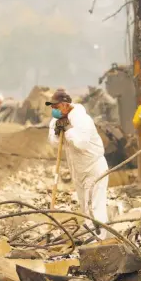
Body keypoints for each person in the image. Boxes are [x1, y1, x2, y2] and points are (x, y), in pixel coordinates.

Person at [46, 89, 109, 240]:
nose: (54, 110)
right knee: (84, 206)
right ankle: (90, 235)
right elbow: (54, 144)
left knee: (95, 205)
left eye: (56, 107)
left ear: (66, 105)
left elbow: (82, 143)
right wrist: (56, 132)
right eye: (52, 107)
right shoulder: (56, 120)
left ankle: (99, 238)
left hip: (94, 166)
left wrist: (68, 129)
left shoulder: (82, 119)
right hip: (78, 169)